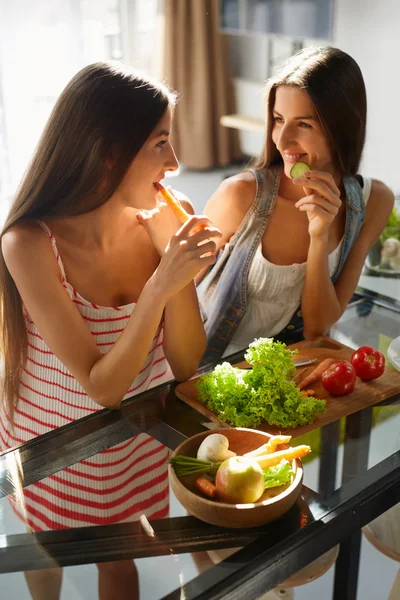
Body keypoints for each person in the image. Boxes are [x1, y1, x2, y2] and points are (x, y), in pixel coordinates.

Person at [0, 62, 220, 600]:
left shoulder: (169, 217)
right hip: (54, 441)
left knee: (122, 566)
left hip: (135, 441)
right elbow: (101, 387)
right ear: (107, 152)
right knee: (41, 547)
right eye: (160, 144)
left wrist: (179, 274)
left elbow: (187, 363)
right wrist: (162, 280)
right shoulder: (29, 243)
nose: (175, 163)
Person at [196, 46, 394, 364]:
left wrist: (319, 235)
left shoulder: (374, 202)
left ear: (342, 128)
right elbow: (177, 295)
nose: (282, 139)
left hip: (300, 373)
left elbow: (317, 328)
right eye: (278, 119)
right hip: (215, 373)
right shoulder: (240, 195)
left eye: (303, 124)